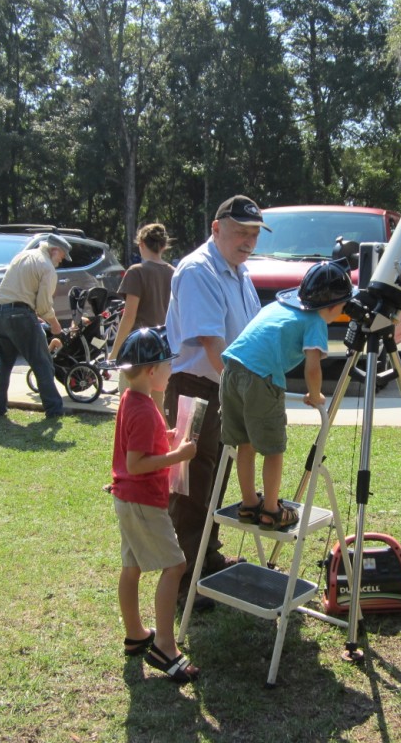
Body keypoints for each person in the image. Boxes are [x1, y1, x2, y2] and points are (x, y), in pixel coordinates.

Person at [165, 194, 268, 607]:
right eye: (241, 231)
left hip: (223, 388)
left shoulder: (238, 270)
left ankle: (205, 558)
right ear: (216, 228)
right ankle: (182, 580)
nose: (248, 240)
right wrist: (241, 394)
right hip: (198, 388)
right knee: (190, 485)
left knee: (215, 477)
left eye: (254, 233)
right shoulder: (199, 270)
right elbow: (213, 343)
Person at [220, 260, 353, 529]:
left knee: (245, 443)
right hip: (261, 379)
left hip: (231, 372)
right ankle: (271, 511)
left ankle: (248, 504)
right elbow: (313, 365)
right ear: (332, 307)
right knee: (273, 448)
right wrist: (315, 395)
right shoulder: (316, 320)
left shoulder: (277, 307)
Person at [107, 327, 200, 683]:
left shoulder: (132, 399)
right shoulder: (145, 410)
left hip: (127, 499)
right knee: (175, 565)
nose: (170, 371)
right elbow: (136, 464)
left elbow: (139, 445)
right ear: (150, 371)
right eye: (166, 365)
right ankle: (164, 646)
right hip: (143, 500)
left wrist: (167, 438)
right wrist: (178, 453)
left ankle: (135, 634)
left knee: (132, 567)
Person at [0, 234, 72, 420]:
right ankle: (54, 410)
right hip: (20, 317)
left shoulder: (23, 256)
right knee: (42, 363)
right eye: (62, 257)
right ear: (55, 250)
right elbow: (43, 305)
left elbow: (17, 290)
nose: (61, 261)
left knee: (3, 365)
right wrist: (56, 326)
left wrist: (33, 315)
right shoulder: (47, 267)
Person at [108, 223, 175, 413]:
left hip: (138, 351)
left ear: (141, 244)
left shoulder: (136, 271)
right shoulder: (174, 272)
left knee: (129, 405)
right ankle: (160, 443)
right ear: (163, 246)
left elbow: (128, 317)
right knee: (158, 407)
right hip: (164, 350)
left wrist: (114, 354)